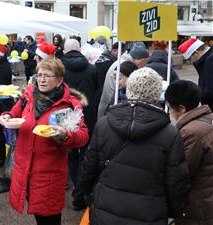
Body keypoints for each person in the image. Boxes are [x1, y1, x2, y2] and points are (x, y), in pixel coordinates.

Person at [78, 67, 190, 225]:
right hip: (150, 212)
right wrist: (172, 211)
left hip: (105, 206)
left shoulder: (104, 124)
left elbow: (88, 168)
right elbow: (177, 182)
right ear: (156, 93)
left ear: (129, 89)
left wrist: (88, 195)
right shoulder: (170, 133)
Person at [0, 58, 89, 225]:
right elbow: (16, 110)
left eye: (47, 75)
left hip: (48, 174)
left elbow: (83, 136)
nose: (41, 79)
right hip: (25, 168)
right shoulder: (28, 94)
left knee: (49, 218)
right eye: (39, 75)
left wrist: (65, 136)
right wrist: (8, 116)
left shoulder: (69, 105)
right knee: (38, 214)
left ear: (59, 80)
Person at [165, 80, 213, 225]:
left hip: (198, 206)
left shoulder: (191, 132)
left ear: (181, 108)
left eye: (170, 108)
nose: (170, 113)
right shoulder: (207, 120)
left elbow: (183, 170)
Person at [61, 38, 98, 210]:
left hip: (66, 116)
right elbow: (96, 91)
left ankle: (78, 191)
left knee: (72, 156)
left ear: (65, 51)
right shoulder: (91, 68)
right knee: (86, 155)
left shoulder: (59, 69)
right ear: (80, 50)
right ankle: (83, 192)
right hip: (87, 116)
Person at [97, 46, 149, 119]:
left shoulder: (121, 62)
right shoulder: (125, 66)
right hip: (110, 109)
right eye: (145, 61)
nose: (145, 64)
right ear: (138, 59)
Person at [179, 38, 213, 110]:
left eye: (189, 58)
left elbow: (210, 89)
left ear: (196, 52)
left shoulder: (210, 60)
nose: (191, 61)